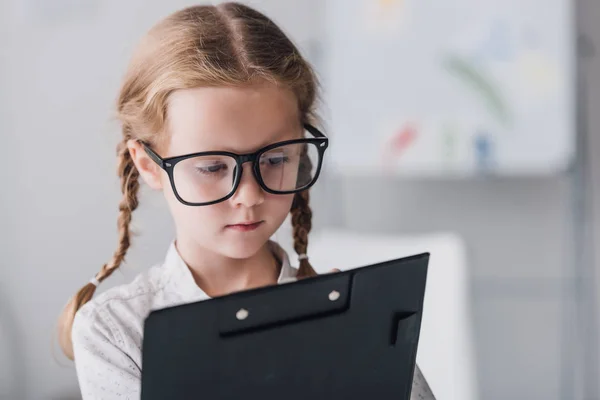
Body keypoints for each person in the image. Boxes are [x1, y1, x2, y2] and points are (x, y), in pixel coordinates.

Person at [56, 3, 436, 399]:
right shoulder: (116, 330)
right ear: (150, 165)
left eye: (274, 160)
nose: (249, 195)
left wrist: (351, 340)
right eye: (212, 168)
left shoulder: (355, 316)